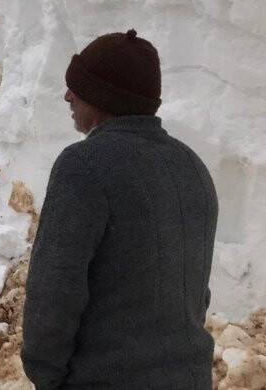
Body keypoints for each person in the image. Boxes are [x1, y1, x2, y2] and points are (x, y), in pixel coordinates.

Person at [21, 29, 218, 389]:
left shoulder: (83, 166)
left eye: (77, 89)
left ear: (100, 98)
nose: (68, 96)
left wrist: (46, 375)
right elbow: (195, 295)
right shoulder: (193, 166)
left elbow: (54, 293)